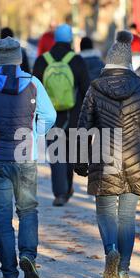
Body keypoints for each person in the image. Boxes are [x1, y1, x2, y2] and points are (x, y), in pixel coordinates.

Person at [74, 31, 140, 278]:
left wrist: (80, 162)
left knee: (105, 212)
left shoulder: (95, 88)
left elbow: (83, 128)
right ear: (127, 63)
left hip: (105, 157)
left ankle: (110, 250)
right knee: (126, 216)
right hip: (136, 158)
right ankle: (123, 271)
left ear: (108, 62)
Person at [0, 37, 56, 278]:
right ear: (18, 58)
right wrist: (35, 135)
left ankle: (8, 274)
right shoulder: (34, 84)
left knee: (2, 218)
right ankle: (28, 256)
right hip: (25, 156)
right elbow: (49, 116)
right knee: (28, 210)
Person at [33, 24, 90, 207]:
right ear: (70, 40)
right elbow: (86, 88)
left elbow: (34, 89)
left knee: (56, 154)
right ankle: (68, 188)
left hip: (50, 115)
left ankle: (60, 193)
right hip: (73, 115)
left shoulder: (43, 60)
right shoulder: (77, 61)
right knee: (71, 153)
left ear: (55, 39)